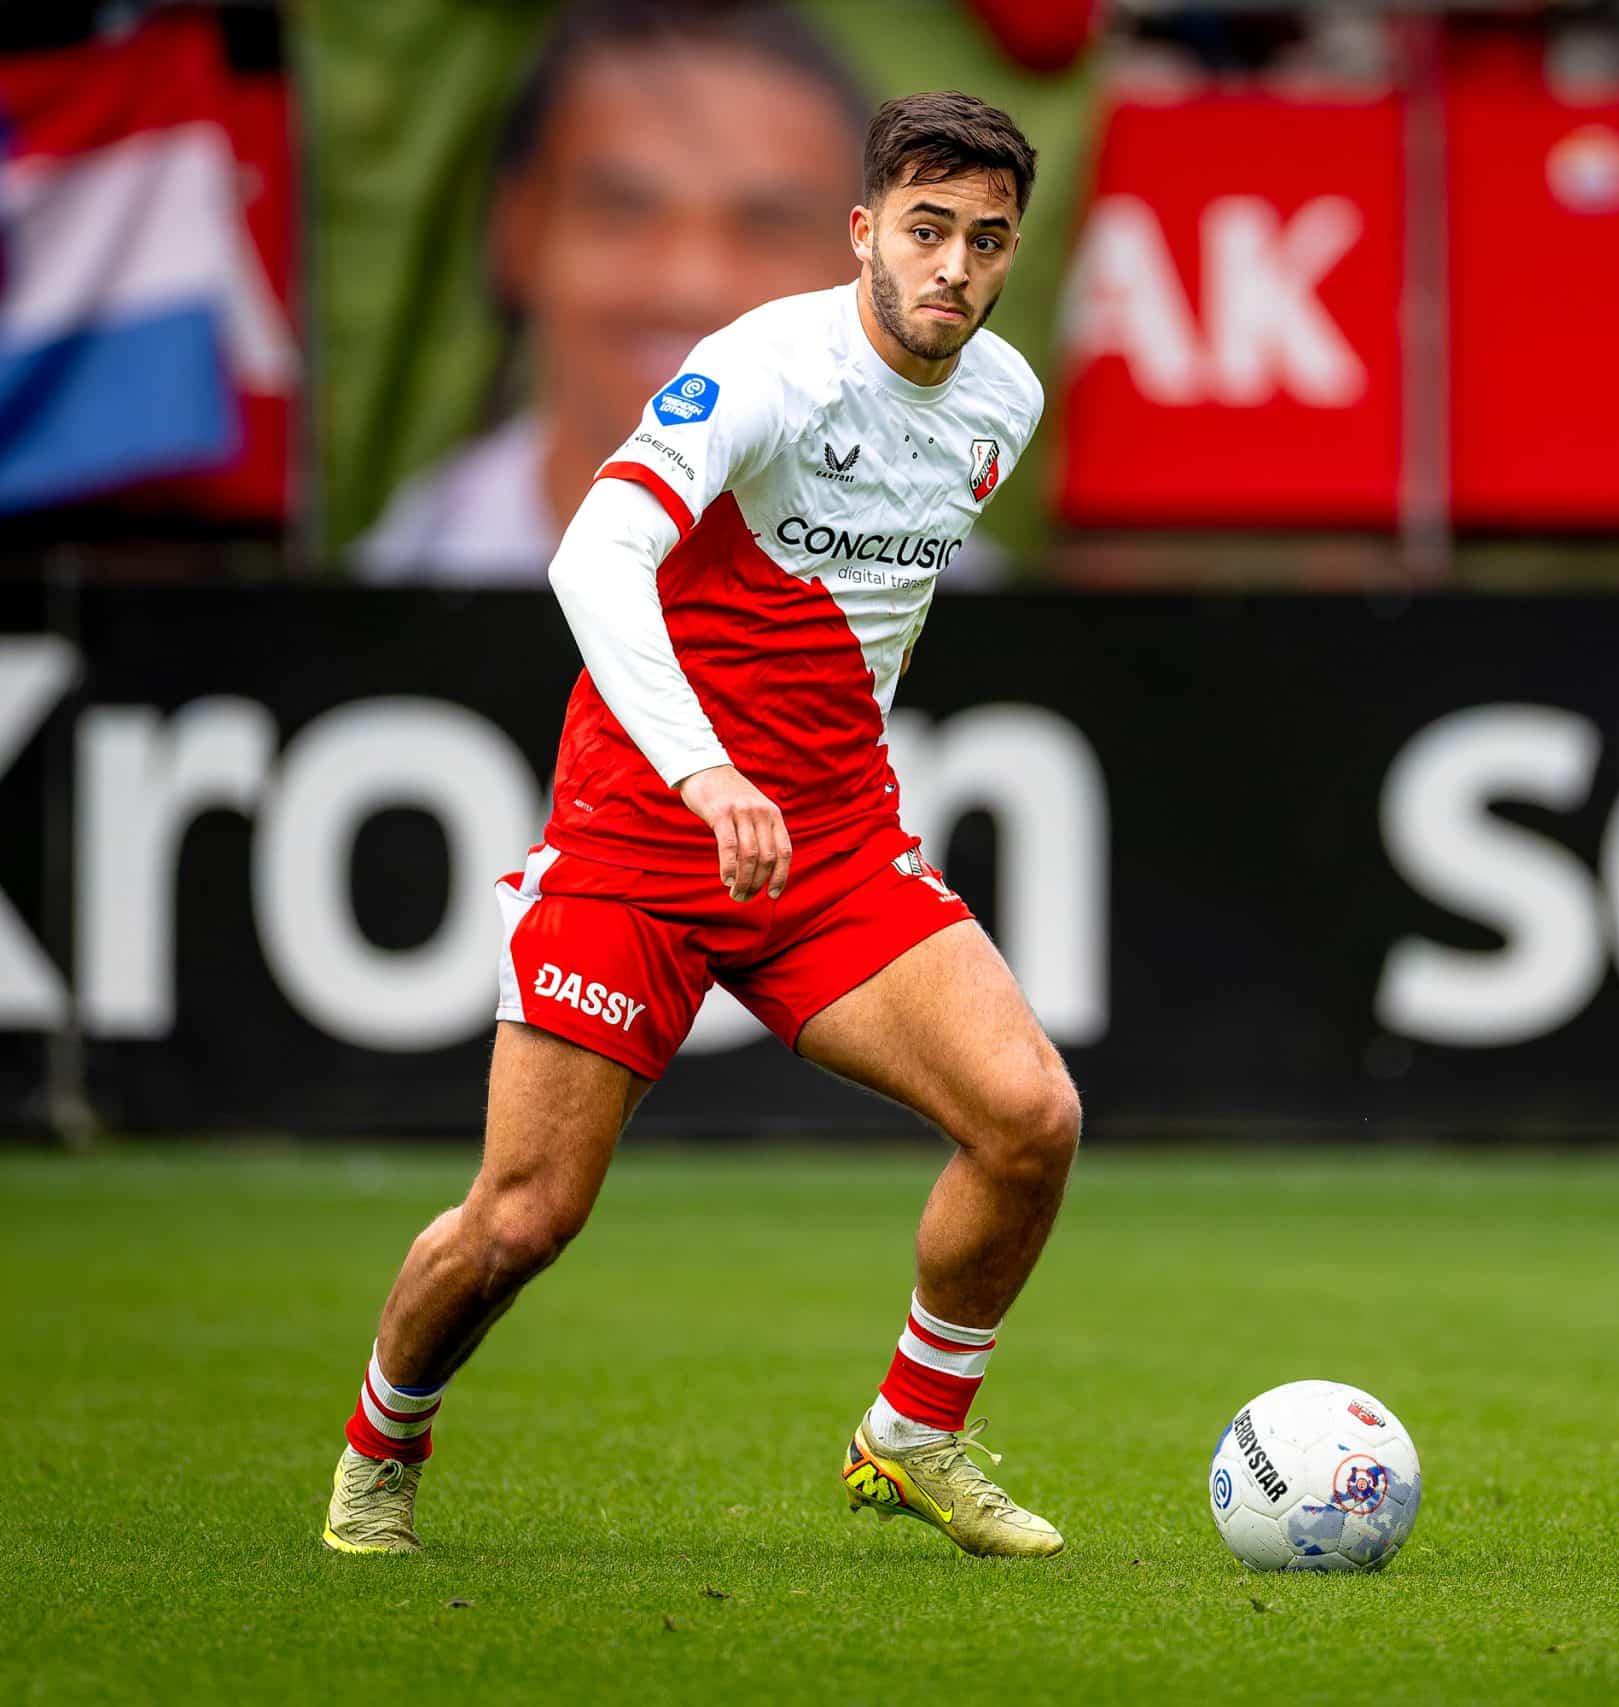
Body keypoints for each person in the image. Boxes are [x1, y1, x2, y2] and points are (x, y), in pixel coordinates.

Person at [322, 91, 1077, 1561]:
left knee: (1029, 1118)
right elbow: (594, 553)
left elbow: (871, 606)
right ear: (862, 231)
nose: (954, 268)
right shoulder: (764, 367)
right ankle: (380, 1448)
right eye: (926, 230)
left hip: (832, 847)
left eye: (987, 241)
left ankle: (913, 1433)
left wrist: (811, 771)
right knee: (524, 1218)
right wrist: (706, 772)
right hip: (641, 835)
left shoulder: (1004, 403)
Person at [351, 0, 876, 584]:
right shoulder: (394, 589)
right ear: (517, 232)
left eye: (769, 226)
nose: (689, 286)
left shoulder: (942, 590)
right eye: (624, 213)